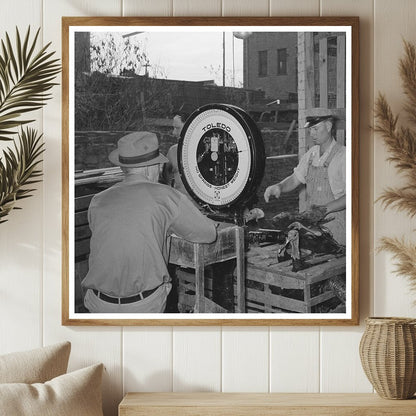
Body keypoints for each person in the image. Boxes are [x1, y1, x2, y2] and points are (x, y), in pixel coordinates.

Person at [82, 131, 217, 313]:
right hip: (142, 305)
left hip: (96, 303)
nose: (161, 170)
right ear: (150, 167)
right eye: (159, 166)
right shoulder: (165, 196)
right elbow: (208, 234)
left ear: (124, 167)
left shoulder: (98, 200)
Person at [264, 115, 346, 245]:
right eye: (310, 130)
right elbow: (296, 178)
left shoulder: (344, 156)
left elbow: (352, 196)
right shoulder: (311, 154)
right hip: (312, 225)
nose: (311, 134)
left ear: (329, 126)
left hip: (335, 226)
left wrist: (324, 209)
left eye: (315, 129)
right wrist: (279, 186)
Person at [162, 112, 195, 201]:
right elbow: (164, 182)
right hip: (181, 209)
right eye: (173, 128)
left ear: (190, 127)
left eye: (177, 128)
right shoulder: (172, 152)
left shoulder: (208, 153)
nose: (173, 132)